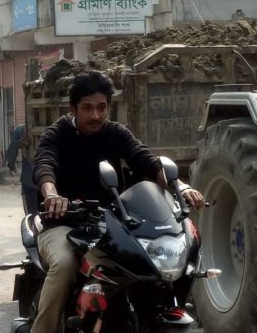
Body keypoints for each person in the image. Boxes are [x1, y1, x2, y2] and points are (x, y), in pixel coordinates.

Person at [32, 70, 204, 333]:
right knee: (65, 265)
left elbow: (145, 160)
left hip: (111, 223)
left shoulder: (116, 133)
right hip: (63, 223)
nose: (96, 115)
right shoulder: (56, 134)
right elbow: (45, 165)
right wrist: (52, 195)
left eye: (102, 107)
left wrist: (181, 186)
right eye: (87, 108)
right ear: (73, 108)